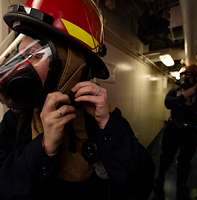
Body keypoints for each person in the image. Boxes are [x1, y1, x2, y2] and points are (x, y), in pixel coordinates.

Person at [0, 0, 155, 199]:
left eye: (33, 55)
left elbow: (140, 185)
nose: (20, 67)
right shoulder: (18, 118)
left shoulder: (99, 118)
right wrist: (43, 148)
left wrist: (108, 127)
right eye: (19, 55)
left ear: (70, 65)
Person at [154, 66, 197, 200]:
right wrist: (185, 95)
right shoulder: (175, 91)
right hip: (173, 128)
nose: (187, 78)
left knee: (185, 161)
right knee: (166, 157)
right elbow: (168, 103)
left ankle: (181, 185)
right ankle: (160, 179)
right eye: (186, 75)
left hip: (191, 131)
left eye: (191, 75)